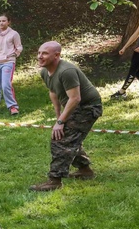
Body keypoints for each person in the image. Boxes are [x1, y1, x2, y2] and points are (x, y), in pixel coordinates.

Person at [30, 41, 102, 191]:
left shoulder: (66, 71)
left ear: (57, 55)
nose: (39, 57)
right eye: (39, 53)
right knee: (68, 135)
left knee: (61, 139)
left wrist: (62, 121)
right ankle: (85, 171)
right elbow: (53, 92)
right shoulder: (45, 71)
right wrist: (59, 119)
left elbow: (75, 98)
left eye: (44, 53)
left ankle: (54, 181)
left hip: (88, 107)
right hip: (75, 106)